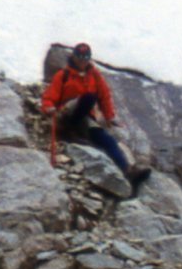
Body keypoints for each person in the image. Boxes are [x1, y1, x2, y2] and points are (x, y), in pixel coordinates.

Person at [40, 42, 140, 187]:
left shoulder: (94, 75)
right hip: (65, 114)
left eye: (85, 57)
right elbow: (49, 97)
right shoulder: (64, 75)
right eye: (79, 56)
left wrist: (109, 116)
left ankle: (127, 171)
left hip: (84, 118)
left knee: (108, 140)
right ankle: (70, 130)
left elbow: (104, 95)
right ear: (73, 56)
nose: (82, 60)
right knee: (88, 97)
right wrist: (48, 107)